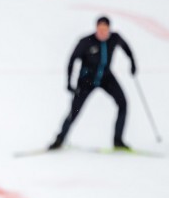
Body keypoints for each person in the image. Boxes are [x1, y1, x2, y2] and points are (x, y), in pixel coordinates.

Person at [50, 16, 137, 151]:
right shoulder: (86, 41)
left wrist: (132, 63)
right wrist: (69, 82)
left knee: (123, 103)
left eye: (105, 29)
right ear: (96, 28)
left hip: (106, 78)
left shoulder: (115, 38)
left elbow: (126, 48)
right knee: (75, 110)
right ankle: (59, 139)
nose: (102, 32)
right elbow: (72, 60)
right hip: (86, 80)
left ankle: (118, 141)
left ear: (109, 29)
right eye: (99, 29)